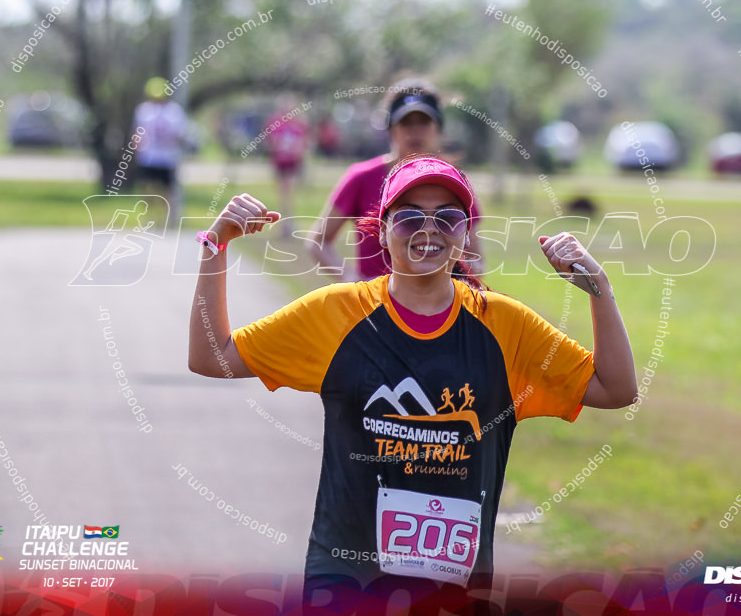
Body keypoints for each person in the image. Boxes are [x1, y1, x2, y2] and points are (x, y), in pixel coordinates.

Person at [188, 155, 637, 609]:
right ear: (380, 232)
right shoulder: (335, 313)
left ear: (465, 233)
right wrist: (216, 244)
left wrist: (599, 287)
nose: (429, 229)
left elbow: (615, 389)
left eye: (448, 217)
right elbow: (211, 356)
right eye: (407, 218)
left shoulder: (504, 324)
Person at [307, 77, 484, 281]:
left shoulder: (453, 182)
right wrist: (352, 280)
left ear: (439, 128)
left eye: (424, 123)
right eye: (406, 123)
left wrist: (461, 280)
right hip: (375, 308)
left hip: (436, 308)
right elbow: (318, 241)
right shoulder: (361, 177)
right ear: (391, 128)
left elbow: (475, 257)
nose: (415, 132)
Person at [133, 77, 189, 223]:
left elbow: (181, 136)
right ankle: (151, 217)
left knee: (167, 190)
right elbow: (139, 134)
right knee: (149, 189)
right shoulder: (144, 110)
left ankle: (168, 219)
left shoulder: (173, 112)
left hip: (166, 158)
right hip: (150, 157)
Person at [263, 95, 309, 233]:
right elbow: (271, 142)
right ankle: (285, 223)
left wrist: (296, 151)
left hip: (292, 162)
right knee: (283, 193)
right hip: (280, 162)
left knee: (289, 192)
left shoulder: (299, 125)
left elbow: (303, 144)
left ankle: (288, 223)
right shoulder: (275, 123)